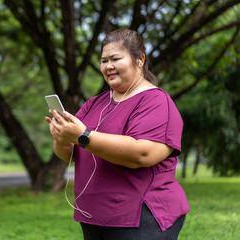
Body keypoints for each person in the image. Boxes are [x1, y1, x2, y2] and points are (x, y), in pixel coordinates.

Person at [45, 28, 189, 240]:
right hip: (95, 217)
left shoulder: (157, 102)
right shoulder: (94, 104)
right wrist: (61, 138)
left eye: (115, 59)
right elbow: (70, 154)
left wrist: (83, 135)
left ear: (139, 60)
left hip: (142, 217)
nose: (108, 66)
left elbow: (143, 154)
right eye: (104, 61)